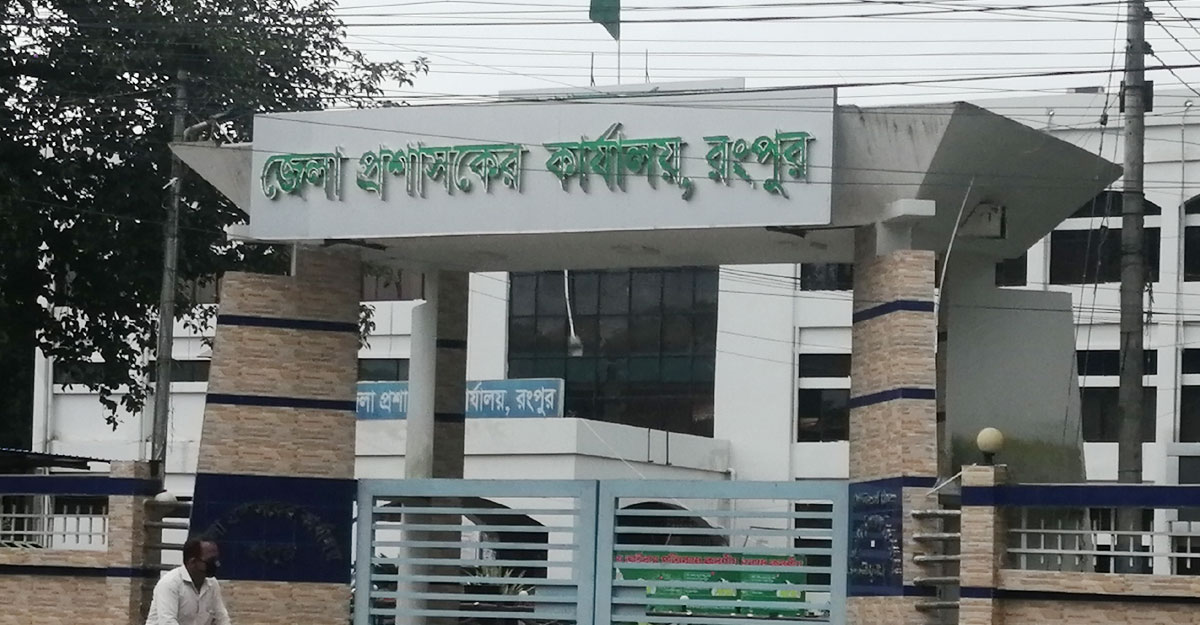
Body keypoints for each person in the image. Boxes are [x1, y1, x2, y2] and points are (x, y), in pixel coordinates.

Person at [145, 537, 232, 625]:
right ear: (192, 562)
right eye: (210, 561)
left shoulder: (212, 584)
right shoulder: (170, 583)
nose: (216, 564)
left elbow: (222, 618)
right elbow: (167, 622)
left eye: (216, 559)